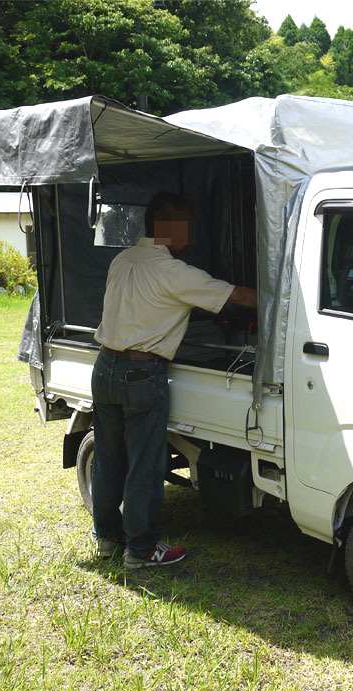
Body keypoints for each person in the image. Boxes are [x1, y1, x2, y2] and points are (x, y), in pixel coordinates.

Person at [91, 192, 257, 568]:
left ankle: (107, 538)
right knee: (144, 465)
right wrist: (286, 304)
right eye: (186, 229)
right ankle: (142, 549)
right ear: (167, 228)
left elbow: (149, 302)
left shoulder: (123, 259)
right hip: (141, 374)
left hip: (104, 368)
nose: (191, 238)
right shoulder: (175, 271)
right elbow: (239, 296)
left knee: (108, 459)